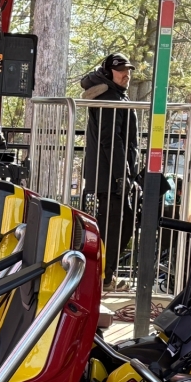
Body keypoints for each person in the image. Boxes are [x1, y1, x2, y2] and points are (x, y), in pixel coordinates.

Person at [80, 52, 139, 293]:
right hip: (110, 177)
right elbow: (110, 140)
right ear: (108, 72)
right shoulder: (109, 97)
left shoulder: (114, 94)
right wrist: (121, 175)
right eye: (120, 70)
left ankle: (104, 276)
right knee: (115, 227)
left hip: (111, 175)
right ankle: (103, 277)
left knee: (118, 224)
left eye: (128, 70)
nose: (126, 75)